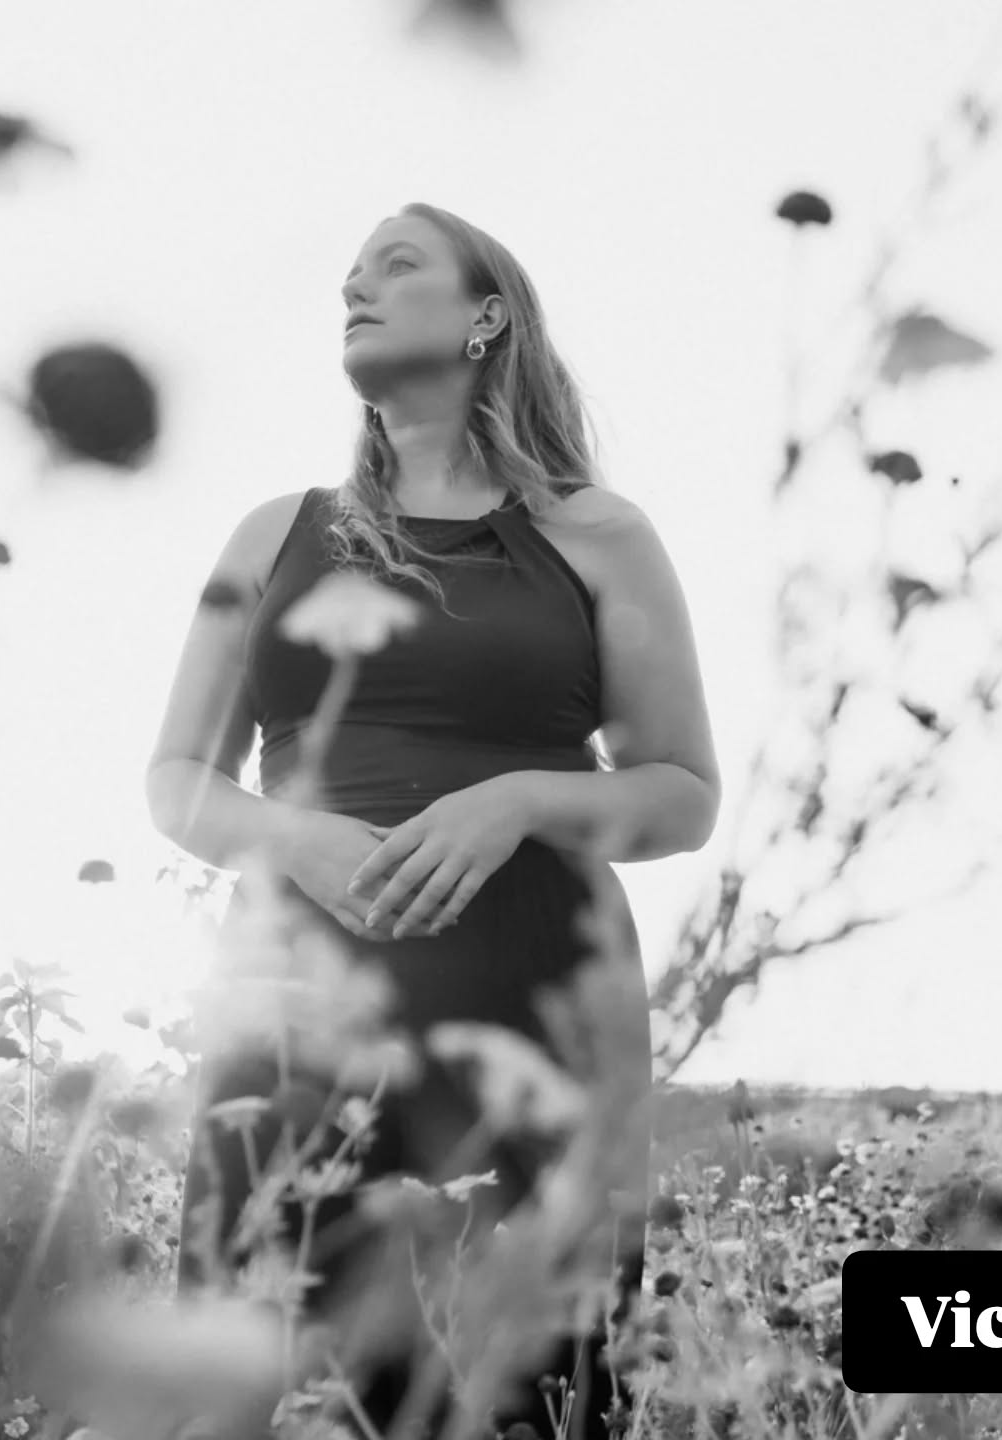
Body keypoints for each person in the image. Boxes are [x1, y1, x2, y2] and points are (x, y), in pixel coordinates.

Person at [145, 203, 721, 1440]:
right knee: (271, 1362)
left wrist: (517, 800)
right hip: (296, 1011)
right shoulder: (272, 533)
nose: (355, 290)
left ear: (486, 317)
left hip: (538, 1004)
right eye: (346, 280)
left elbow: (681, 792)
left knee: (542, 1381)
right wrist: (293, 838)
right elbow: (177, 783)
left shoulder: (600, 537)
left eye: (394, 268)